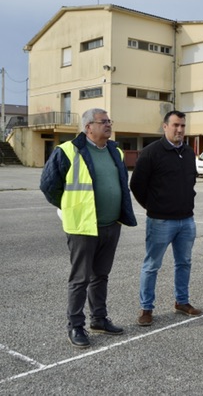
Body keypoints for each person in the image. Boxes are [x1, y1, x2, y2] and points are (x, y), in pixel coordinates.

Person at [40, 108, 137, 348]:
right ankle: (75, 326)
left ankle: (99, 319)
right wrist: (69, 207)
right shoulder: (68, 151)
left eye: (109, 121)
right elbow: (49, 186)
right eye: (102, 122)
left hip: (111, 225)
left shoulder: (115, 151)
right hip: (82, 227)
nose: (108, 124)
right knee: (80, 279)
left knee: (101, 276)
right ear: (88, 127)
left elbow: (121, 183)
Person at [130, 110, 202, 326]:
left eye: (183, 126)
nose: (179, 129)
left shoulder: (189, 152)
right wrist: (153, 207)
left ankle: (182, 301)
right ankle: (146, 308)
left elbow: (190, 182)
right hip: (160, 221)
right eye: (175, 125)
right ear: (165, 127)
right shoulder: (151, 152)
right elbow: (136, 185)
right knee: (152, 265)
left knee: (184, 263)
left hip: (186, 221)